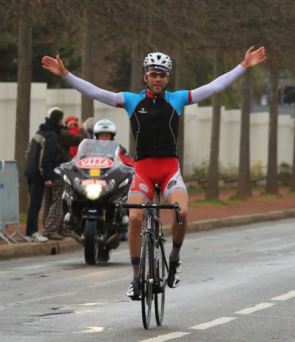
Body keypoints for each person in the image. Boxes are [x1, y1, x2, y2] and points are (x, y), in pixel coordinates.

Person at [43, 46, 266, 299]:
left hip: (170, 170)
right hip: (144, 173)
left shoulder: (177, 99)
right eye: (153, 74)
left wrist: (243, 66)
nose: (157, 78)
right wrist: (65, 74)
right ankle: (137, 278)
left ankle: (174, 257)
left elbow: (213, 87)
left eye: (162, 74)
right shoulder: (131, 101)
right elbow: (96, 92)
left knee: (181, 213)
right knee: (136, 218)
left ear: (167, 78)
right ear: (145, 77)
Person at [23, 110, 65, 242]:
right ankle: (32, 232)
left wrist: (28, 167)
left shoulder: (40, 131)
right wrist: (47, 177)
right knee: (35, 204)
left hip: (30, 171)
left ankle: (32, 231)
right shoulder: (52, 135)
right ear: (59, 120)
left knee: (34, 204)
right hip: (38, 174)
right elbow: (46, 157)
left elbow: (28, 151)